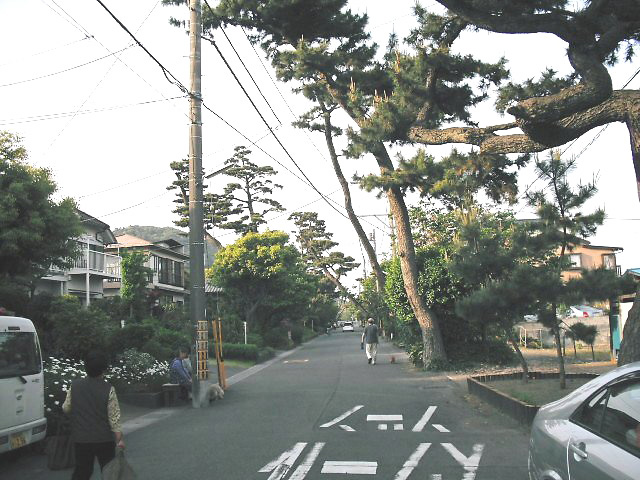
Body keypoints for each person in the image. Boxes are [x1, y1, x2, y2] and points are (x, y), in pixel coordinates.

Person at [62, 351, 124, 480]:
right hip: (104, 438)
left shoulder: (75, 386)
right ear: (104, 369)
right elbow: (114, 416)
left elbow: (66, 408)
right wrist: (119, 437)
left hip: (81, 438)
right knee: (109, 472)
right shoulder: (108, 388)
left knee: (82, 472)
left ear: (86, 367)